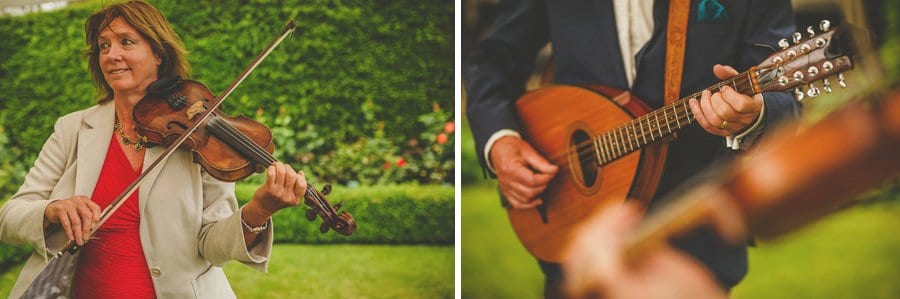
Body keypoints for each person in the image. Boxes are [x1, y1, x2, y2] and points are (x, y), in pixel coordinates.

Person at [464, 0, 799, 296]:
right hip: (575, 240)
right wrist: (500, 138)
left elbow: (784, 98)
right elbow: (493, 60)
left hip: (694, 245)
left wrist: (755, 115)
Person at [0, 1, 306, 297]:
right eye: (103, 46)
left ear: (158, 53)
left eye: (126, 41)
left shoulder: (197, 135)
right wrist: (51, 210)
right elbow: (9, 217)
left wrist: (259, 210)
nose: (112, 55)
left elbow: (213, 246)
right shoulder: (72, 129)